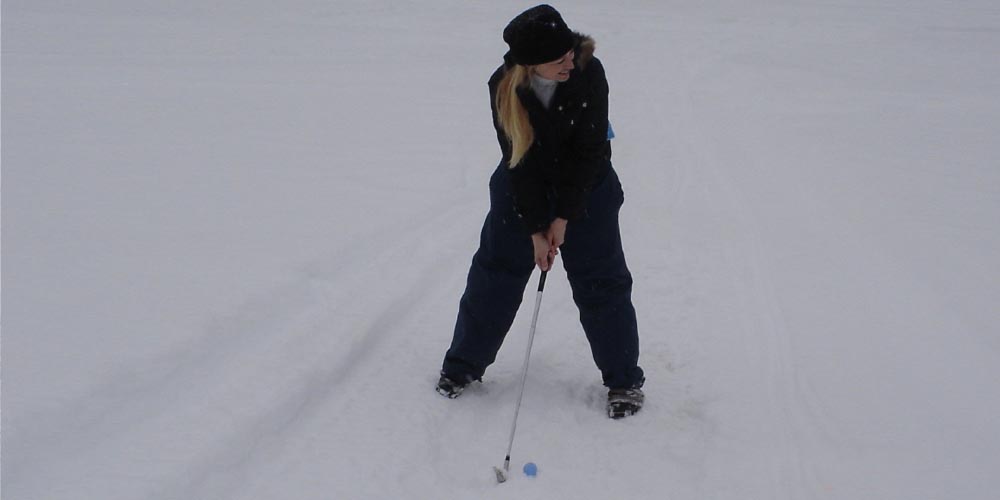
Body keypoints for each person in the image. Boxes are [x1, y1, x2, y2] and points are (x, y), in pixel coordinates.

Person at [436, 4, 645, 419]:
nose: (571, 61)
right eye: (558, 60)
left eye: (570, 51)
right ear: (530, 65)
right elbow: (520, 162)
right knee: (495, 277)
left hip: (587, 190)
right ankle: (462, 367)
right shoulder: (504, 87)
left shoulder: (589, 72)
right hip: (522, 188)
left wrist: (562, 218)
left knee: (601, 282)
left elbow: (590, 152)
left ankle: (623, 381)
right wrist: (535, 229)